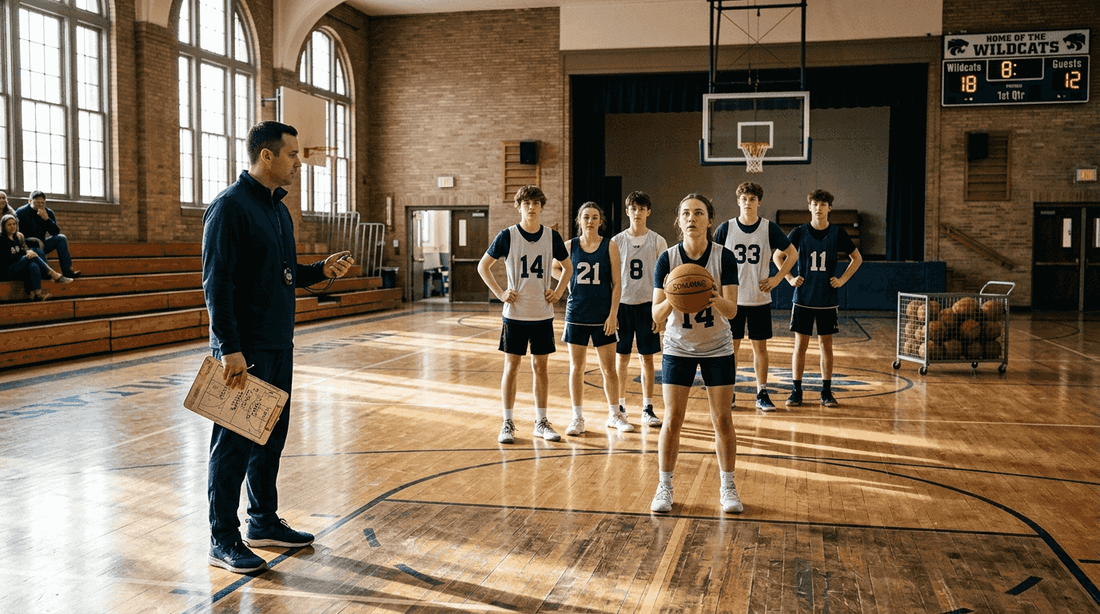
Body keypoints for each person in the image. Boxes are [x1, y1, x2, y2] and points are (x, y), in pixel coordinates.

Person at [202, 121, 354, 574]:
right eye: (292, 155)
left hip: (277, 343)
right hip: (242, 350)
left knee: (269, 439)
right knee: (232, 446)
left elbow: (285, 272)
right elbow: (217, 283)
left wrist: (321, 269)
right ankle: (222, 538)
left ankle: (263, 521)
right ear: (266, 156)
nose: (297, 163)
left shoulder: (278, 210)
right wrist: (229, 347)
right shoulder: (229, 208)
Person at [650, 194, 743, 514]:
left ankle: (728, 486)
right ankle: (664, 486)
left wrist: (712, 297)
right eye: (686, 213)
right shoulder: (667, 260)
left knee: (722, 418)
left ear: (709, 220)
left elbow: (731, 311)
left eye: (699, 213)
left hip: (718, 346)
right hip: (678, 347)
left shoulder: (725, 258)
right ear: (679, 221)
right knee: (672, 419)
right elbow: (656, 314)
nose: (692, 218)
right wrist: (675, 297)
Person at [477, 185, 572, 444]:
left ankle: (541, 421)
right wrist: (499, 293)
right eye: (526, 203)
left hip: (542, 313)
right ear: (519, 206)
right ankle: (507, 422)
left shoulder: (552, 236)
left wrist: (559, 290)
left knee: (541, 368)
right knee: (512, 367)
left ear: (542, 207)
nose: (531, 207)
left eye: (536, 203)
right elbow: (483, 266)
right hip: (515, 314)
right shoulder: (507, 236)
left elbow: (568, 267)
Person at [774, 189, 863, 408]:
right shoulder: (799, 232)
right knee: (800, 346)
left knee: (826, 346)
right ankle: (796, 391)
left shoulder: (838, 233)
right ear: (809, 207)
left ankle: (826, 391)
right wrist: (788, 278)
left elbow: (857, 258)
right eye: (815, 204)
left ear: (829, 208)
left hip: (827, 299)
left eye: (823, 204)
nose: (818, 208)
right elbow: (778, 255)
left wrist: (842, 280)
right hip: (803, 298)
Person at [713, 182, 798, 412]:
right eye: (744, 199)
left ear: (759, 202)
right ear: (737, 201)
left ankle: (762, 392)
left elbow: (792, 253)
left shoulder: (769, 229)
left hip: (759, 299)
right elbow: (712, 259)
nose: (748, 203)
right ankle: (729, 392)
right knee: (731, 349)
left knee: (760, 349)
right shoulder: (725, 228)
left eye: (752, 199)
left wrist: (778, 278)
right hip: (732, 301)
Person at [558, 202, 628, 436]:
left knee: (609, 370)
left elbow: (618, 284)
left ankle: (615, 414)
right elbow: (553, 268)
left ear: (600, 221)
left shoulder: (610, 246)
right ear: (579, 220)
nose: (590, 221)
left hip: (602, 316)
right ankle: (577, 418)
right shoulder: (569, 246)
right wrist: (566, 282)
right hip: (576, 313)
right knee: (576, 368)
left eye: (595, 217)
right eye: (586, 217)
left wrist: (613, 314)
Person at [611, 191, 667, 428]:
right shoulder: (616, 241)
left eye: (642, 209)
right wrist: (611, 312)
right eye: (633, 208)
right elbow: (610, 279)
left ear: (648, 212)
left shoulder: (658, 241)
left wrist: (660, 312)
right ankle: (620, 406)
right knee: (621, 358)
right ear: (627, 211)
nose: (637, 212)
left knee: (647, 359)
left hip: (647, 306)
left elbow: (665, 279)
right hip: (622, 306)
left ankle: (647, 407)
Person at [1, 214, 72, 300]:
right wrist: (25, 257)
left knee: (33, 265)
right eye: (9, 224)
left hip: (18, 268)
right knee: (30, 258)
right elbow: (6, 259)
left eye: (14, 224)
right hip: (6, 271)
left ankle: (38, 295)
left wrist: (28, 252)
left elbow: (23, 250)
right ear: (4, 226)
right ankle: (53, 275)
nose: (12, 226)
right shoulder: (2, 239)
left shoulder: (17, 238)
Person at [15, 191, 81, 279]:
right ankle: (46, 273)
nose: (40, 205)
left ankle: (67, 271)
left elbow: (55, 232)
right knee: (37, 245)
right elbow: (15, 234)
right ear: (30, 201)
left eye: (43, 203)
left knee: (61, 238)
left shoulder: (48, 212)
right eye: (38, 202)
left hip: (42, 243)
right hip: (27, 246)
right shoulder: (20, 212)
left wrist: (46, 219)